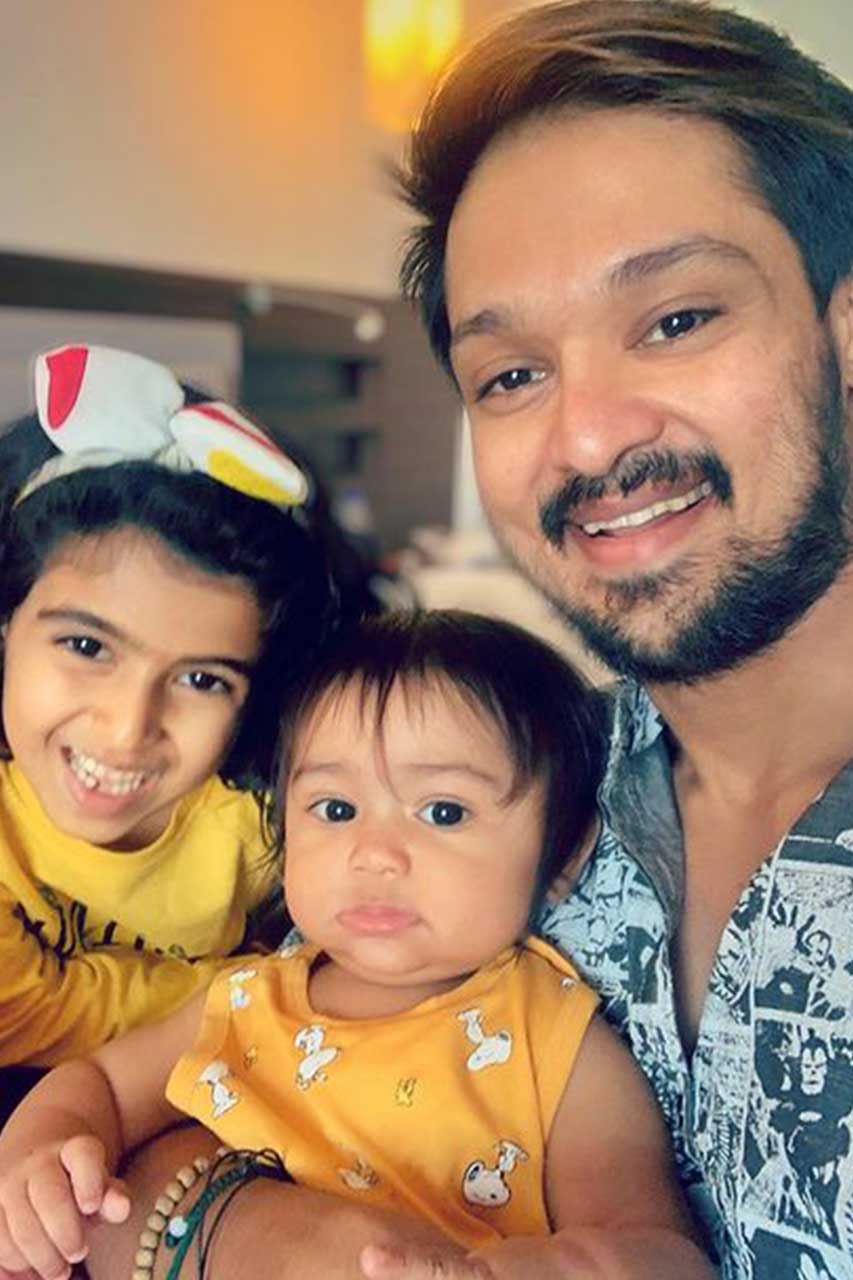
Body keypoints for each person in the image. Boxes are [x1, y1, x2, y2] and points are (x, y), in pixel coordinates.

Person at [73, 4, 853, 1279]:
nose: (587, 437)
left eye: (675, 319)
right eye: (511, 376)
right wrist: (287, 1236)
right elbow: (202, 1102)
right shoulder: (523, 761)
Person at [0, 608, 716, 1280]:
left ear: (560, 857)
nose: (373, 853)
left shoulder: (553, 1041)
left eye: (443, 812)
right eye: (336, 808)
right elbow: (101, 1086)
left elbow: (659, 1252)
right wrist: (42, 1152)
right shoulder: (246, 999)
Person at [0, 343, 333, 1116]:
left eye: (202, 680)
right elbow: (19, 1015)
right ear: (7, 626)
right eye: (87, 647)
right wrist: (247, 987)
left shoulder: (269, 819)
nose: (127, 731)